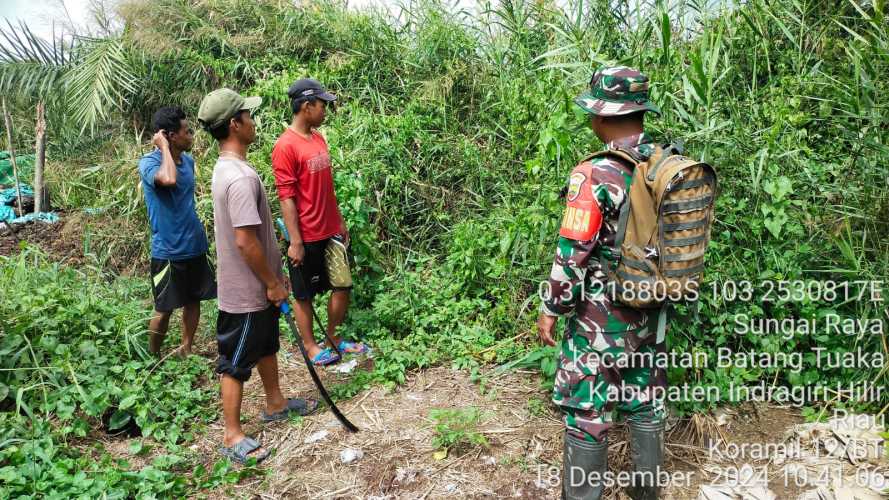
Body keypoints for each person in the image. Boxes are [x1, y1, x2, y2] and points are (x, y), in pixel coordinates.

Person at [537, 66, 667, 500]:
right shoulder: (663, 164)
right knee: (645, 403)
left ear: (603, 117)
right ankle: (647, 493)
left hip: (600, 316)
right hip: (651, 310)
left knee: (587, 410)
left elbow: (572, 252)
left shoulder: (596, 173)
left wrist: (552, 307)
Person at [198, 88, 318, 465]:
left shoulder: (232, 168)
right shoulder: (238, 178)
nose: (254, 120)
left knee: (266, 345)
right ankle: (232, 434)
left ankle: (276, 402)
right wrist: (270, 283)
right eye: (248, 116)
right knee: (235, 360)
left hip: (259, 286)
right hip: (247, 290)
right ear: (235, 124)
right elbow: (245, 242)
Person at [271, 78, 368, 366]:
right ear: (306, 106)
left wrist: (338, 220)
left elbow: (328, 186)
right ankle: (312, 347)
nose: (325, 110)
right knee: (304, 294)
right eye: (322, 104)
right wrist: (296, 241)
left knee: (343, 285)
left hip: (329, 230)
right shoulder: (285, 147)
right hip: (306, 235)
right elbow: (286, 197)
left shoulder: (318, 138)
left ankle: (333, 338)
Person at [137, 106, 216, 357]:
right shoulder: (149, 163)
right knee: (164, 309)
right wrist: (162, 148)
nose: (191, 135)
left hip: (194, 245)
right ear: (169, 135)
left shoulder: (189, 161)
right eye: (186, 131)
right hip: (168, 250)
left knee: (193, 301)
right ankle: (154, 357)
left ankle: (186, 349)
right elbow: (168, 180)